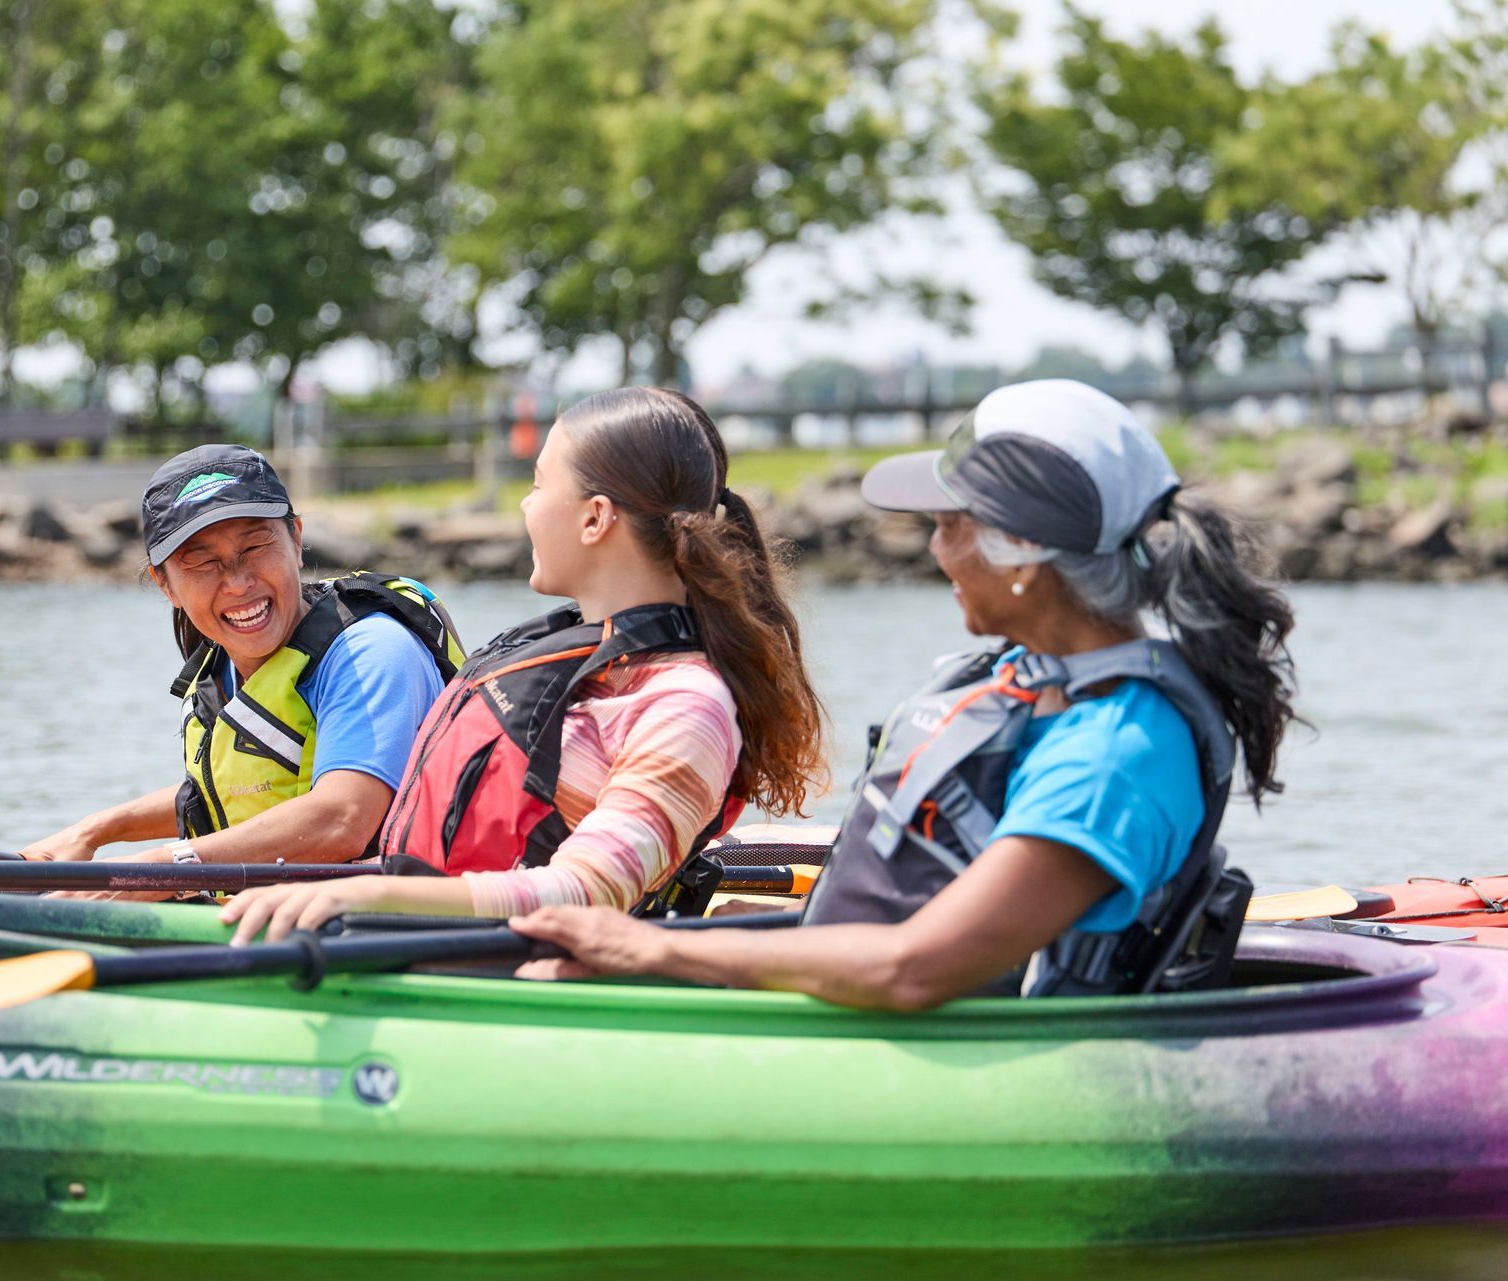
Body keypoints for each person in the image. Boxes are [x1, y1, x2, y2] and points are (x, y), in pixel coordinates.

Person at [510, 379, 1295, 1008]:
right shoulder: (1035, 682)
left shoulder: (1117, 752)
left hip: (987, 1072)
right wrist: (757, 943)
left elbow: (915, 968)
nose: (933, 547)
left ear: (1019, 548)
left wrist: (652, 949)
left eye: (951, 524)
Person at [219, 387, 826, 942]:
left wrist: (364, 893)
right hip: (422, 946)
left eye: (538, 484)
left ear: (595, 518)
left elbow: (588, 892)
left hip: (510, 979)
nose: (524, 505)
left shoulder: (685, 702)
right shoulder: (588, 662)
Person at [20, 443, 463, 891]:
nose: (238, 583)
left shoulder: (373, 650)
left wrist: (160, 869)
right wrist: (95, 831)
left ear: (296, 539)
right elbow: (231, 794)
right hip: (272, 919)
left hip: (381, 929)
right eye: (202, 562)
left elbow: (341, 818)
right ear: (164, 584)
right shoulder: (226, 667)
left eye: (255, 546)